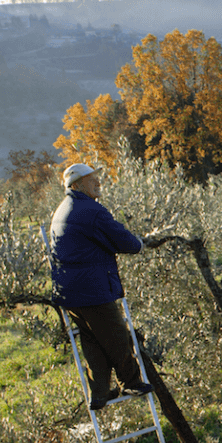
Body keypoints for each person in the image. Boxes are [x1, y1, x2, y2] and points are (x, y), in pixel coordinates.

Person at [50, 163, 153, 410]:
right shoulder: (90, 211)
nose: (98, 181)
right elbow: (123, 240)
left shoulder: (64, 208)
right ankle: (131, 382)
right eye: (91, 178)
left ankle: (100, 393)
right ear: (76, 185)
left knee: (92, 339)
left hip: (68, 292)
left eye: (96, 176)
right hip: (91, 290)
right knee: (117, 334)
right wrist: (139, 244)